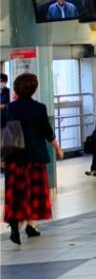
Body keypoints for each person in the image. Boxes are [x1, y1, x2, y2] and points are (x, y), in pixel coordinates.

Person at [4, 74, 62, 244]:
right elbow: (47, 131)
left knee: (16, 192)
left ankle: (15, 226)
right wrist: (57, 148)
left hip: (14, 157)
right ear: (34, 89)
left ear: (16, 89)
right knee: (35, 192)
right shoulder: (39, 108)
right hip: (35, 156)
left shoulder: (9, 108)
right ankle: (31, 225)